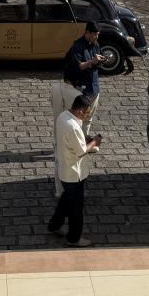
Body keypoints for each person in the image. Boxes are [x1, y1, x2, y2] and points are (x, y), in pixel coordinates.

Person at [48, 94, 100, 246]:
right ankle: (74, 238)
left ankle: (54, 225)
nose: (86, 116)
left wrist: (84, 139)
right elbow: (81, 151)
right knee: (76, 209)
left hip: (65, 170)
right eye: (86, 113)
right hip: (74, 174)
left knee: (66, 201)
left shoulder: (63, 116)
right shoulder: (73, 127)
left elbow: (73, 141)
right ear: (80, 110)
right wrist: (95, 142)